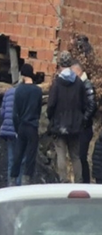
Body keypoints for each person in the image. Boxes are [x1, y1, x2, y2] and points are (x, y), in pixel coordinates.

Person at [47, 52, 88, 183]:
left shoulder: (57, 83)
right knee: (75, 156)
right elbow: (84, 104)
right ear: (70, 64)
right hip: (75, 126)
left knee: (61, 154)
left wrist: (51, 118)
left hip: (60, 125)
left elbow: (51, 104)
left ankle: (63, 181)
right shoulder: (78, 83)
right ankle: (79, 180)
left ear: (59, 65)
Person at [12, 63, 43, 186]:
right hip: (33, 126)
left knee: (18, 154)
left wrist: (17, 128)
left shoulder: (19, 90)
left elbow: (15, 114)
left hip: (22, 127)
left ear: (23, 75)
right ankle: (27, 180)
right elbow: (39, 110)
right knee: (30, 155)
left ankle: (13, 180)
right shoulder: (38, 91)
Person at [0, 79, 20, 186]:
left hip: (7, 130)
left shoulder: (7, 93)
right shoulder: (21, 93)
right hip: (18, 130)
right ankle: (19, 185)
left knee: (11, 160)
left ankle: (10, 185)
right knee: (20, 159)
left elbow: (2, 112)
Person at [79, 64, 97, 183]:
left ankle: (85, 182)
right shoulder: (82, 85)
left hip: (85, 128)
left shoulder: (86, 85)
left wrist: (83, 120)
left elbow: (92, 105)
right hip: (84, 126)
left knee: (82, 156)